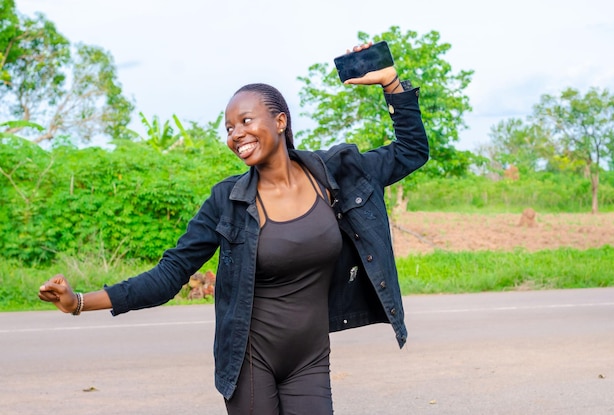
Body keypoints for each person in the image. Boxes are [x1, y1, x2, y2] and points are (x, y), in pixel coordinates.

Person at [38, 42, 429, 415]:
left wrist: (391, 84)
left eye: (245, 121)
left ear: (280, 121)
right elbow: (170, 274)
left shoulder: (335, 174)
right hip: (248, 361)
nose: (235, 134)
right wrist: (80, 302)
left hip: (311, 358)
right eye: (228, 128)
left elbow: (411, 151)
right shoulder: (227, 201)